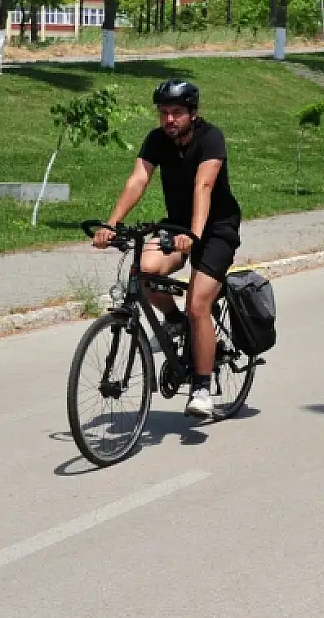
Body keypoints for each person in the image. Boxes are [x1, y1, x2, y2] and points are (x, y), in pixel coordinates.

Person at [94, 79, 242, 419]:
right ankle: (174, 321)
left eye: (177, 113)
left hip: (217, 228)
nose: (169, 120)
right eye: (164, 113)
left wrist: (194, 232)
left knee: (198, 302)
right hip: (177, 226)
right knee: (142, 272)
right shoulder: (157, 140)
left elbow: (203, 186)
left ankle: (203, 387)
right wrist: (110, 224)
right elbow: (138, 179)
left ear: (193, 113)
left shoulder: (211, 138)